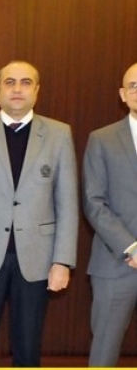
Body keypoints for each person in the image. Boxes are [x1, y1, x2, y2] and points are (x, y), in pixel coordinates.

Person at [0, 60, 78, 366]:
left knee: (28, 349)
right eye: (9, 82)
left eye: (26, 82)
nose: (17, 89)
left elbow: (67, 202)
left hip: (37, 259)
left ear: (36, 90)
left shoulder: (58, 134)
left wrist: (62, 261)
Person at [83, 62, 137, 366]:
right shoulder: (102, 139)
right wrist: (132, 247)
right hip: (116, 264)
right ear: (122, 94)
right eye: (133, 85)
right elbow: (94, 202)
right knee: (104, 352)